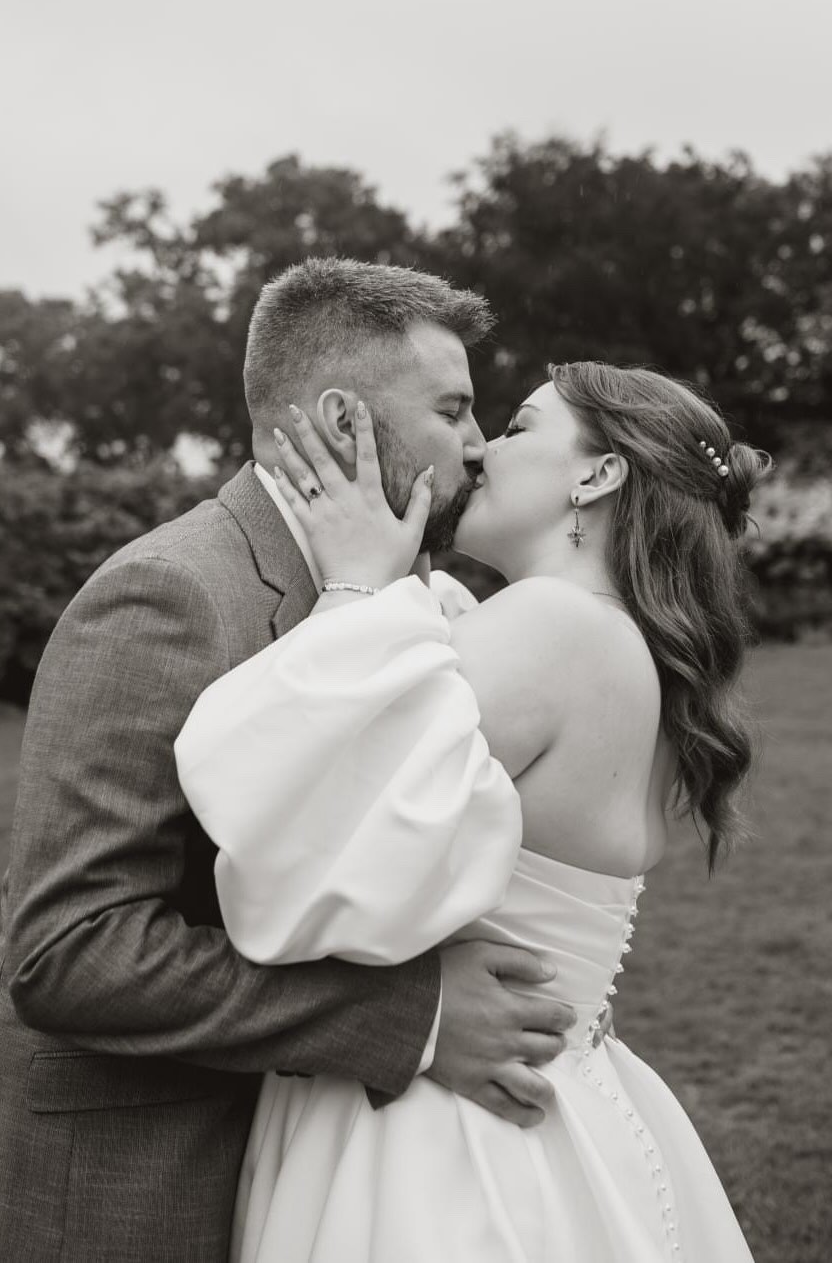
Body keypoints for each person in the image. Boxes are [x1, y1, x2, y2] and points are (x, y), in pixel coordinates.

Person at [0, 260, 577, 1263]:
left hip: (328, 1172)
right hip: (153, 1183)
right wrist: (414, 1015)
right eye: (453, 410)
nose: (481, 449)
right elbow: (67, 952)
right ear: (345, 422)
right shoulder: (168, 597)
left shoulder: (410, 596)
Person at [176, 352, 770, 1261]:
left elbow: (318, 830)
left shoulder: (555, 627)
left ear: (598, 474)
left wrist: (354, 593)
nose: (484, 449)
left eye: (522, 425)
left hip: (442, 1138)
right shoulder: (614, 639)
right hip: (553, 1091)